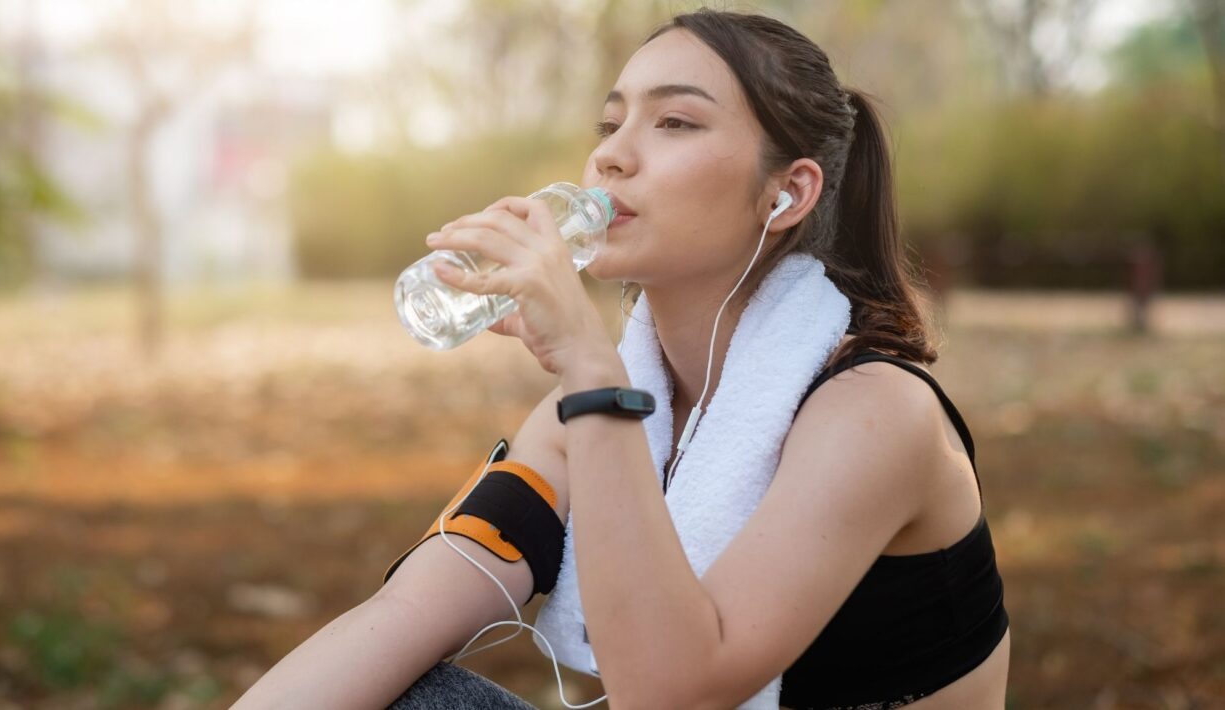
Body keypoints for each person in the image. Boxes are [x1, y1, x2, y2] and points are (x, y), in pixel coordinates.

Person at [232, 8, 1010, 710]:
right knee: (400, 688)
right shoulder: (596, 410)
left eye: (674, 123)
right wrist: (594, 383)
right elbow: (404, 618)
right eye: (611, 123)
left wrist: (591, 370)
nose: (610, 157)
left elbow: (674, 696)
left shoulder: (875, 413)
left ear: (787, 194)